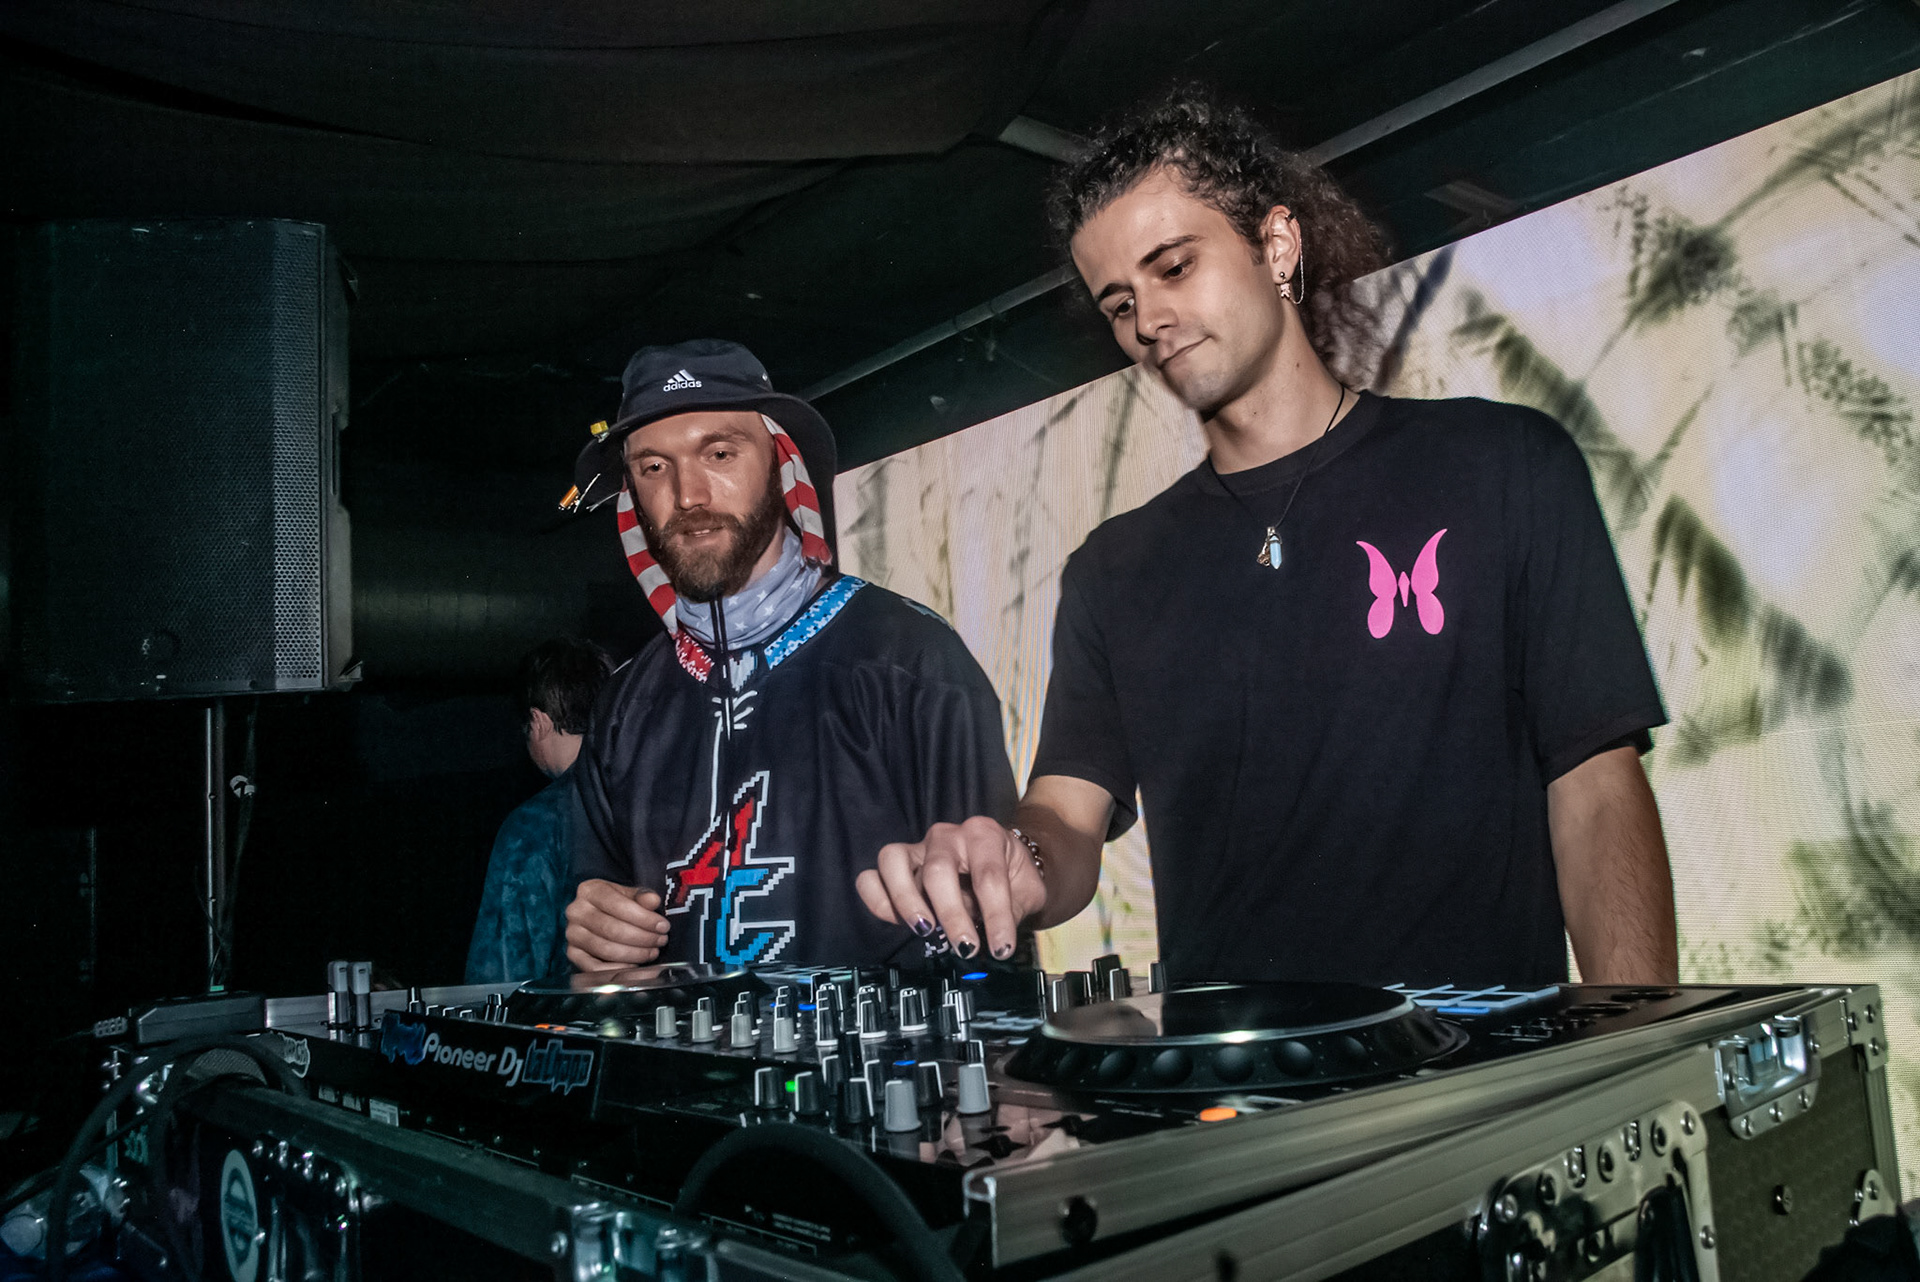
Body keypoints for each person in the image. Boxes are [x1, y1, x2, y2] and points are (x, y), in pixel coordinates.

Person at [857, 87, 1679, 988]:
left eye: (1174, 267)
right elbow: (1066, 814)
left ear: (1277, 245)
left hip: (1481, 1064)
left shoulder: (1502, 464)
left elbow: (1595, 787)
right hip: (1236, 1069)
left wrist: (1638, 1039)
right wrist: (1020, 861)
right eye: (1120, 303)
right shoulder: (1115, 569)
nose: (1148, 321)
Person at [559, 339, 1017, 971]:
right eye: (654, 467)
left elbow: (993, 929)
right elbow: (598, 911)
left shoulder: (911, 660)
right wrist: (597, 933)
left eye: (719, 453)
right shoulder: (622, 706)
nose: (687, 495)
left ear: (782, 461)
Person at [465, 637, 612, 983]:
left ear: (538, 720)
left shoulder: (534, 825)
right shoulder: (653, 800)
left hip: (571, 1014)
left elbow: (503, 971)